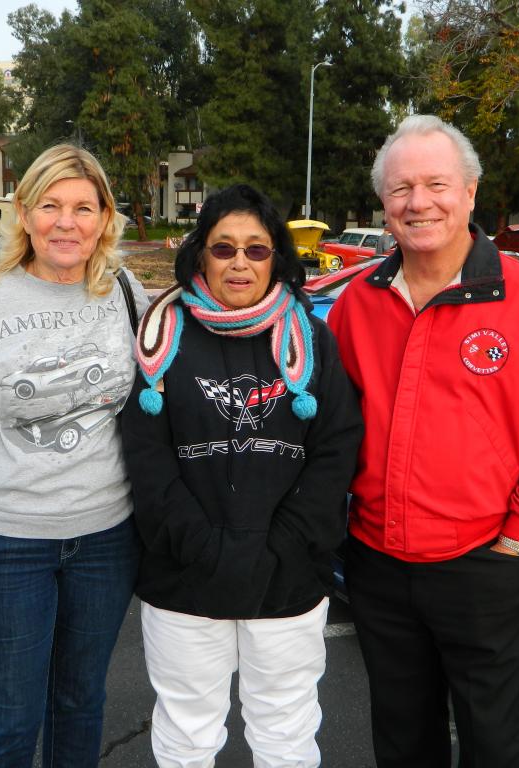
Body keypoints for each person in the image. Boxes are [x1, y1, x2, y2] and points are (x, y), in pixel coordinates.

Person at [328, 115, 519, 768]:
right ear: (384, 206)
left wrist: (517, 540)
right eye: (400, 190)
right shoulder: (355, 303)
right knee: (400, 735)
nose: (418, 202)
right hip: (378, 563)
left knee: (492, 740)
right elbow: (330, 430)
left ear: (471, 193)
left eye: (435, 184)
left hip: (484, 565)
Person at [0, 143, 149, 766]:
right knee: (11, 718)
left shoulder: (125, 293)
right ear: (24, 213)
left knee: (80, 702)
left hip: (107, 539)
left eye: (83, 206)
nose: (66, 222)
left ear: (104, 217)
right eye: (50, 205)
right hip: (7, 543)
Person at [122, 184, 364, 768]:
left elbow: (336, 451)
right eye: (223, 247)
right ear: (200, 254)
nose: (239, 262)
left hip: (287, 577)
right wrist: (202, 547)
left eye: (256, 250)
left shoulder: (312, 339)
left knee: (285, 733)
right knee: (186, 736)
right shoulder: (160, 339)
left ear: (277, 258)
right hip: (184, 579)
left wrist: (281, 544)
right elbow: (146, 458)